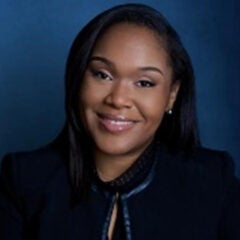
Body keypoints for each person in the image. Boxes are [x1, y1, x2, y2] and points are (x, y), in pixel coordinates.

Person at [0, 3, 239, 240]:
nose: (118, 100)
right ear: (78, 80)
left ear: (171, 95)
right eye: (102, 75)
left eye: (144, 83)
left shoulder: (214, 181)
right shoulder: (23, 180)